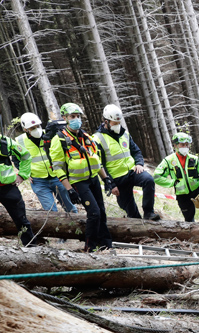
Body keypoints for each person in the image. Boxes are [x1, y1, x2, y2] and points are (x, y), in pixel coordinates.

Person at [50, 102, 115, 252]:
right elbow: (58, 168)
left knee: (102, 212)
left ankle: (106, 244)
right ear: (65, 118)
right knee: (94, 213)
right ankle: (90, 247)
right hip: (78, 182)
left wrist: (106, 179)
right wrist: (69, 189)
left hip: (93, 179)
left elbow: (95, 160)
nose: (76, 119)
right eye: (73, 116)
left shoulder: (86, 137)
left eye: (78, 116)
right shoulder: (59, 139)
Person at [93, 104, 160, 221]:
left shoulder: (125, 134)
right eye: (114, 123)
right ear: (106, 121)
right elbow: (99, 165)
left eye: (119, 122)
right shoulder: (97, 139)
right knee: (132, 213)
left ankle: (149, 213)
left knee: (149, 180)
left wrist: (139, 163)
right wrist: (111, 184)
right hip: (117, 179)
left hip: (132, 171)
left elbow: (136, 151)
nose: (117, 125)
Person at [16, 112, 78, 214]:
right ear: (25, 129)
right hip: (38, 181)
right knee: (50, 211)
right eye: (32, 128)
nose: (36, 129)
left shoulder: (50, 134)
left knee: (70, 207)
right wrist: (24, 173)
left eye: (38, 126)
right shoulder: (19, 141)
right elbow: (16, 159)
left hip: (57, 177)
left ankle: (78, 226)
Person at [0, 133, 41, 246]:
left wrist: (22, 175)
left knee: (21, 220)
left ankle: (31, 249)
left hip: (8, 188)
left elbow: (25, 156)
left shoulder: (5, 142)